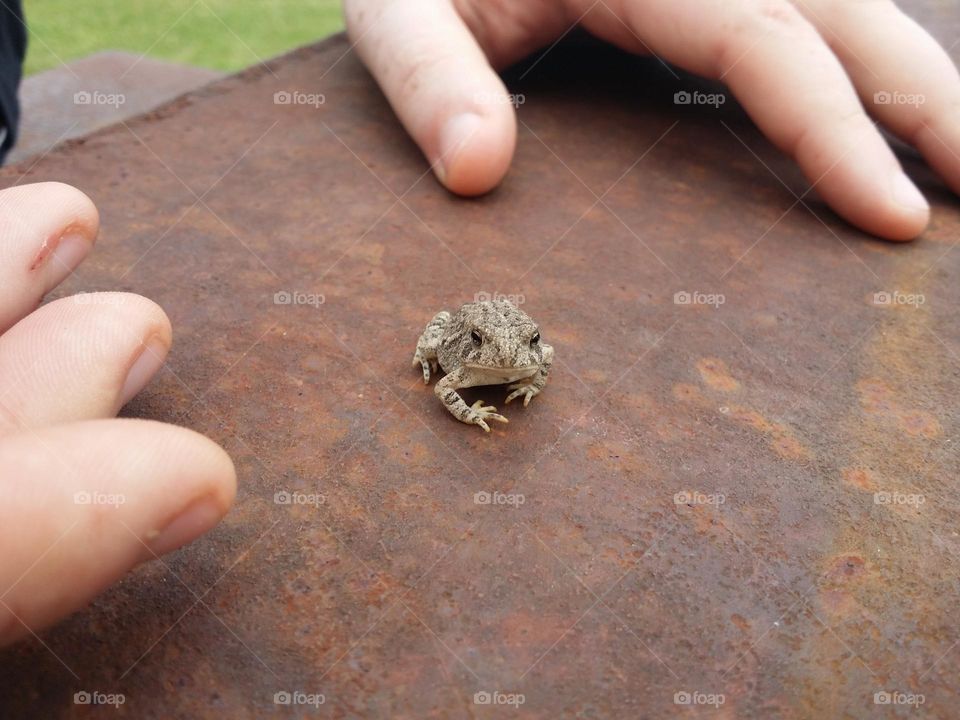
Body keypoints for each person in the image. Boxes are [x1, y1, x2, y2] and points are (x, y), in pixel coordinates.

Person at [1, 0, 958, 647]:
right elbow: (452, 378)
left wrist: (522, 369)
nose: (525, 369)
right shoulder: (464, 364)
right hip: (458, 333)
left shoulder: (520, 353)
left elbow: (529, 356)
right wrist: (471, 397)